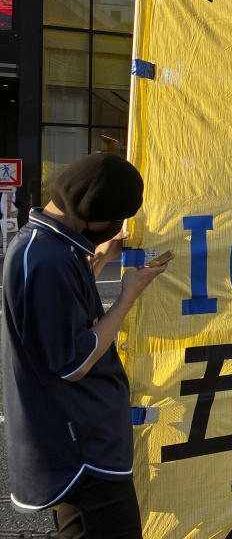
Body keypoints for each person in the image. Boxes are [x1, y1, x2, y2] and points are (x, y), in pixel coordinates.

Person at [1, 153, 171, 539]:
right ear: (92, 211)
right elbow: (74, 362)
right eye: (113, 217)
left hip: (81, 441)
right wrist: (128, 295)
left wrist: (98, 258)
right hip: (82, 451)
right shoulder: (46, 259)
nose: (114, 226)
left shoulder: (53, 247)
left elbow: (63, 309)